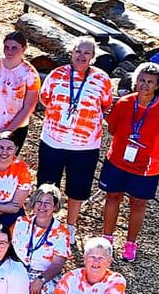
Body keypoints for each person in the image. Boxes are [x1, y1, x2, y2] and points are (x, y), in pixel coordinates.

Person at [35, 36, 117, 227]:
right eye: (78, 51)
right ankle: (45, 222)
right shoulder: (56, 75)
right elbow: (45, 99)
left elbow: (105, 105)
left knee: (77, 188)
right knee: (47, 184)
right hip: (53, 141)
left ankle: (70, 225)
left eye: (86, 52)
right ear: (71, 53)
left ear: (93, 56)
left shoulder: (102, 79)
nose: (81, 55)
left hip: (85, 146)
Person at [99, 61, 159, 260]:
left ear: (157, 85)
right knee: (112, 197)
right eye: (141, 80)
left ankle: (130, 243)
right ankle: (107, 238)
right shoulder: (125, 102)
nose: (144, 85)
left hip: (146, 167)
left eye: (150, 82)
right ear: (135, 81)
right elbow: (112, 128)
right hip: (117, 160)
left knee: (138, 203)